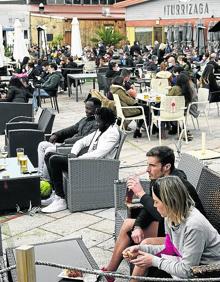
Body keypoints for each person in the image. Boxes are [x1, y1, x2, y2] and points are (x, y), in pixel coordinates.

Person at [101, 146, 205, 278]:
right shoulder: (158, 180)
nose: (147, 169)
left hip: (183, 233)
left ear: (166, 167)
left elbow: (164, 216)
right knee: (129, 224)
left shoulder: (176, 187)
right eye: (147, 164)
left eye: (152, 165)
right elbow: (151, 208)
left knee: (145, 244)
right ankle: (110, 271)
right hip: (171, 229)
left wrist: (141, 194)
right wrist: (138, 226)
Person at [123, 175, 220, 279]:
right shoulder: (170, 215)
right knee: (150, 269)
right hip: (187, 264)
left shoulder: (194, 226)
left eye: (156, 202)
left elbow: (188, 270)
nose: (154, 206)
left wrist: (153, 261)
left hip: (209, 273)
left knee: (152, 271)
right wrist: (140, 249)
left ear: (169, 202)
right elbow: (170, 249)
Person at [41, 107, 120, 213]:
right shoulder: (101, 129)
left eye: (98, 122)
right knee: (49, 155)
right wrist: (73, 154)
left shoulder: (112, 134)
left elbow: (99, 154)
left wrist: (77, 159)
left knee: (54, 160)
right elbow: (81, 142)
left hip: (95, 166)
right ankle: (56, 194)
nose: (96, 124)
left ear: (106, 122)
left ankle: (61, 200)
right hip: (85, 161)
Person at [38, 97, 101, 182]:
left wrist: (66, 141)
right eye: (85, 108)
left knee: (49, 149)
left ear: (97, 109)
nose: (86, 111)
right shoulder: (84, 119)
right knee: (42, 145)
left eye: (89, 109)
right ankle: (41, 175)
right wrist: (56, 134)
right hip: (66, 144)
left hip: (74, 149)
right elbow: (71, 129)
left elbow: (86, 139)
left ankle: (46, 180)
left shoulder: (97, 124)